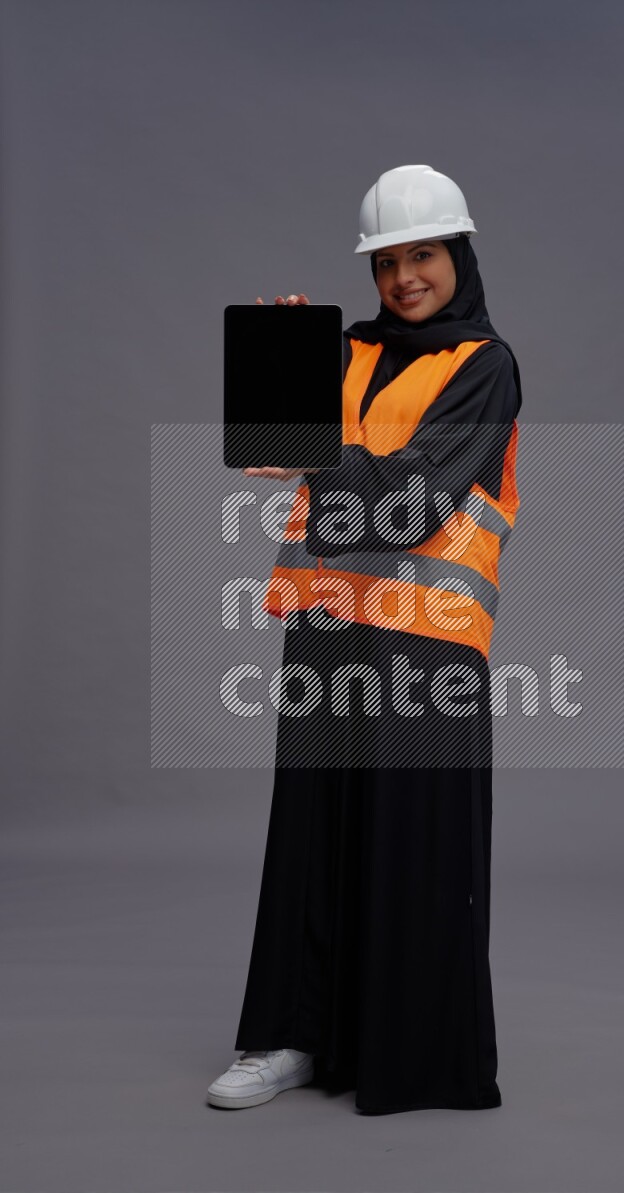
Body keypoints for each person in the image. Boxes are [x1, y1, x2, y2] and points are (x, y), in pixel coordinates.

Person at [207, 164, 522, 1114]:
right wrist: (285, 365)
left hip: (428, 647)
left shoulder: (485, 365)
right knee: (312, 839)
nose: (403, 279)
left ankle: (410, 1053)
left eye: (421, 255)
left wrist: (317, 454)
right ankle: (292, 1037)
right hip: (329, 629)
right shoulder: (343, 353)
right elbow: (285, 436)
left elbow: (423, 495)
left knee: (411, 850)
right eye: (387, 262)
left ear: (456, 257)